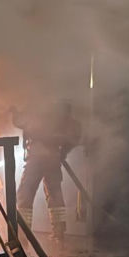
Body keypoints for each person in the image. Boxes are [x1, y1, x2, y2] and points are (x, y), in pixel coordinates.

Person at [12, 101, 81, 242]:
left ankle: (23, 234)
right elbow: (74, 136)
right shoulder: (60, 114)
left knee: (25, 194)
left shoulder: (38, 108)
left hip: (37, 159)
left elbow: (20, 122)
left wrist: (14, 111)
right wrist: (63, 153)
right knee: (55, 194)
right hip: (52, 159)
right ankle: (59, 233)